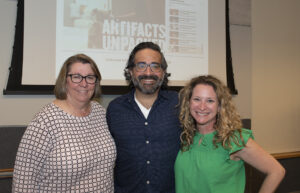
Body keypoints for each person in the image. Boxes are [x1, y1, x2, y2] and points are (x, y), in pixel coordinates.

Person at [12, 54, 116, 192]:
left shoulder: (100, 113)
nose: (84, 83)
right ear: (65, 80)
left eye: (90, 77)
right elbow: (23, 181)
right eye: (76, 77)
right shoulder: (45, 121)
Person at [174, 75, 285, 193]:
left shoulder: (234, 139)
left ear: (219, 107)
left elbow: (277, 171)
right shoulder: (187, 137)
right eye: (197, 99)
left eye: (210, 101)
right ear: (188, 103)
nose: (202, 106)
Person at [106, 42, 181, 193]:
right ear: (131, 71)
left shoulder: (180, 104)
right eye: (141, 65)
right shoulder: (115, 109)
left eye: (155, 66)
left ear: (163, 72)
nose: (148, 72)